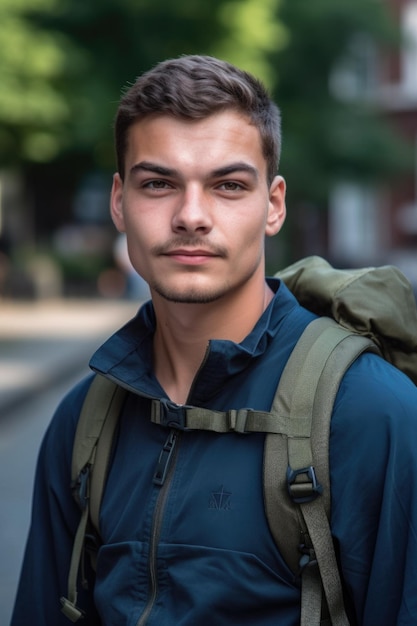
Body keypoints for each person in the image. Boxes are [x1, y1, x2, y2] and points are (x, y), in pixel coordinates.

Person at [11, 55, 417, 626]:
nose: (191, 216)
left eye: (227, 185)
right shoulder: (83, 424)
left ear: (272, 204)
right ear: (119, 201)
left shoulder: (374, 415)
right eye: (159, 184)